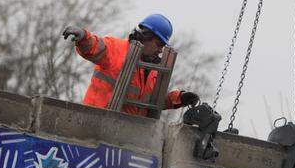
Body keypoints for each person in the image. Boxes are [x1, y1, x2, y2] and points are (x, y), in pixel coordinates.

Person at [62, 14, 200, 117]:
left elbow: (153, 102)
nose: (160, 50)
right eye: (159, 44)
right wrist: (84, 38)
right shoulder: (116, 49)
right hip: (96, 123)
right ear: (146, 36)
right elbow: (95, 47)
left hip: (128, 135)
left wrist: (178, 98)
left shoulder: (154, 71)